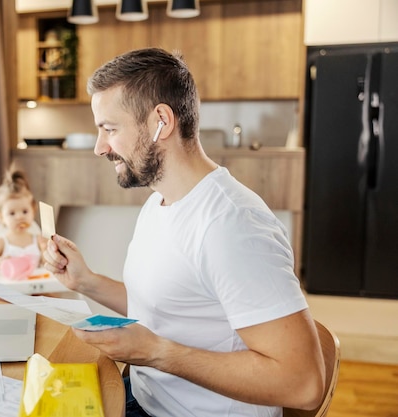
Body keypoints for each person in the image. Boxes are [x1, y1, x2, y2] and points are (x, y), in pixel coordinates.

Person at [43, 48, 325, 417]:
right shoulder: (160, 202)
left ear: (161, 120)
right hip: (144, 395)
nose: (100, 148)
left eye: (110, 129)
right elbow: (168, 308)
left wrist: (155, 353)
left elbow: (303, 384)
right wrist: (87, 282)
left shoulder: (232, 225)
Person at [0, 168, 47, 280]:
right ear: (1, 217)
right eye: (12, 213)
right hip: (10, 292)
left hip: (35, 289)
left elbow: (46, 265)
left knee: (51, 295)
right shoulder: (2, 242)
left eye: (25, 211)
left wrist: (45, 250)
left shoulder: (38, 240)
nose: (20, 217)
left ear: (33, 210)